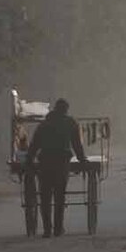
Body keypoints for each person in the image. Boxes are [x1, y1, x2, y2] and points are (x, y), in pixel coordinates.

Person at [25, 99, 88, 237]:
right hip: (61, 162)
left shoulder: (44, 124)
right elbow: (77, 145)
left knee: (45, 197)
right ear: (65, 110)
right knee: (59, 196)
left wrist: (28, 161)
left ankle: (47, 229)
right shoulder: (70, 123)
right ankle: (58, 228)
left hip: (45, 162)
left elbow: (34, 145)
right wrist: (83, 161)